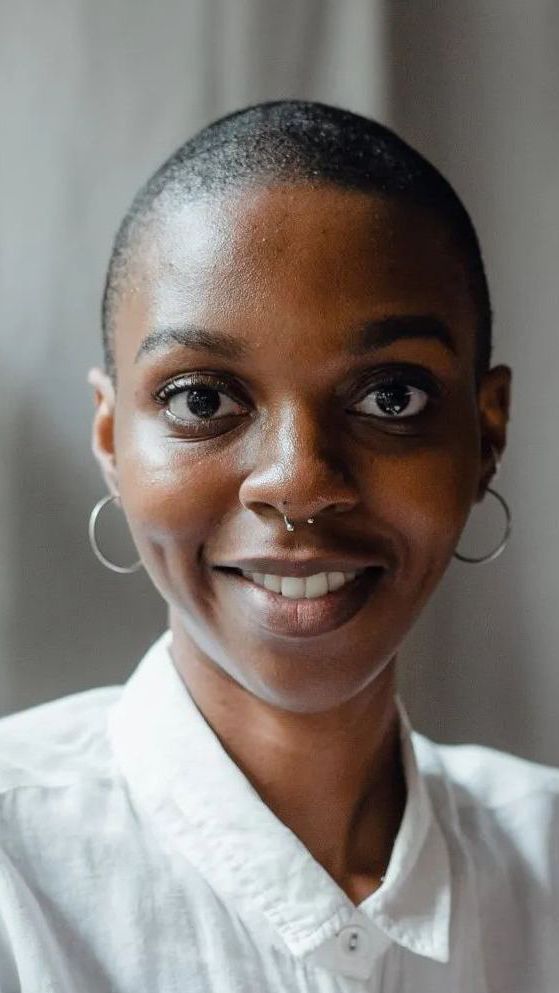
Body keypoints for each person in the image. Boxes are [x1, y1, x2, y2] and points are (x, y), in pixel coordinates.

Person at [0, 99, 556, 993]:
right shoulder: (17, 881)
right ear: (111, 438)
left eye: (390, 398)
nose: (298, 482)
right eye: (200, 399)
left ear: (484, 433)